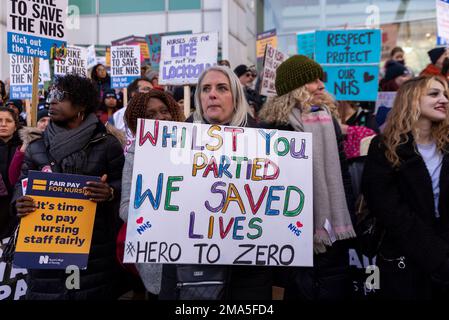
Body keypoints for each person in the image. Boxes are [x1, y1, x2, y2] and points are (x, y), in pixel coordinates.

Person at [159, 65, 270, 300]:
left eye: (222, 88)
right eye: (206, 89)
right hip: (187, 268)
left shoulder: (264, 142)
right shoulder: (175, 140)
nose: (212, 94)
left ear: (236, 97)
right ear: (199, 97)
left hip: (245, 271)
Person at [13, 74, 125, 300]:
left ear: (82, 104)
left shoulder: (107, 145)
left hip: (94, 254)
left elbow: (125, 188)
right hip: (45, 253)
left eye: (60, 97)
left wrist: (111, 193)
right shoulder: (36, 147)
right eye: (51, 95)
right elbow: (21, 186)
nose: (52, 101)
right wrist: (20, 203)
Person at [258, 55, 356, 300]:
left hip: (332, 232)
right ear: (295, 88)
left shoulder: (327, 119)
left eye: (320, 79)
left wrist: (350, 217)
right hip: (292, 236)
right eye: (312, 81)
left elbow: (342, 172)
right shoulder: (274, 127)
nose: (321, 85)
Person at [362, 76, 449, 300]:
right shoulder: (384, 146)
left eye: (445, 95)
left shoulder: (447, 145)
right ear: (411, 99)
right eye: (434, 94)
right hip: (404, 259)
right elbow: (387, 208)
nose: (444, 100)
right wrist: (435, 253)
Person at [120, 89, 185, 298]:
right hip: (157, 258)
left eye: (164, 111)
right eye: (150, 115)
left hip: (194, 254)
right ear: (139, 122)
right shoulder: (135, 154)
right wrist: (158, 213)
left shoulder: (196, 146)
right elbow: (125, 207)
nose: (160, 118)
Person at [0, 107, 21, 240]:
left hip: (16, 203)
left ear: (15, 125)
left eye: (8, 121)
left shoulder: (25, 146)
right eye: (0, 120)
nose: (3, 124)